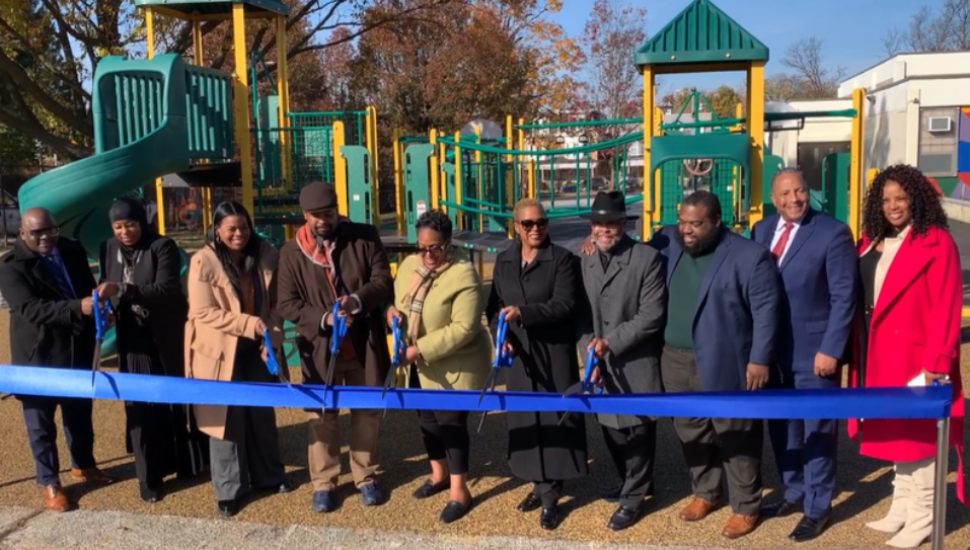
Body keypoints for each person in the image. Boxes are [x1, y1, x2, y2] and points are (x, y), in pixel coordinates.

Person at [650, 191, 781, 540]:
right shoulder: (667, 241)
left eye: (696, 224)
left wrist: (759, 359)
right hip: (675, 359)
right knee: (691, 431)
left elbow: (767, 313)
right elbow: (629, 250)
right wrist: (591, 240)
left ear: (717, 222)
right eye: (682, 221)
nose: (687, 230)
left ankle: (746, 506)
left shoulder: (750, 256)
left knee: (735, 433)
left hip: (727, 362)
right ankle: (707, 492)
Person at [850, 164, 964, 549]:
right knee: (897, 431)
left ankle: (925, 516)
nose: (893, 206)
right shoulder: (872, 239)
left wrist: (937, 362)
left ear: (918, 198)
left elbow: (947, 306)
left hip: (918, 357)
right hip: (880, 352)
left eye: (901, 198)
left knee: (921, 437)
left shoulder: (938, 242)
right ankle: (902, 505)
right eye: (885, 199)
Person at [750, 169, 857, 542]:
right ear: (773, 197)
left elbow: (844, 297)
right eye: (785, 193)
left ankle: (817, 507)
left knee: (818, 431)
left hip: (815, 354)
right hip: (773, 352)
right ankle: (793, 492)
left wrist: (832, 349)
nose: (794, 199)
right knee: (782, 428)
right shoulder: (761, 231)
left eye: (800, 191)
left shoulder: (832, 233)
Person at [276, 182, 393, 514]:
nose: (322, 221)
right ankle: (325, 482)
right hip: (318, 347)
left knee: (366, 413)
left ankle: (365, 477)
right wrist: (324, 318)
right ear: (305, 216)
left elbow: (383, 281)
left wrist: (357, 300)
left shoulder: (364, 236)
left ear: (337, 209)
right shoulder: (291, 252)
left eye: (327, 213)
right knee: (321, 416)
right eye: (315, 216)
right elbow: (286, 303)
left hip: (362, 344)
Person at [0, 207, 114, 512]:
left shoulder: (71, 250)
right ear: (23, 233)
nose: (46, 237)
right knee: (40, 424)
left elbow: (87, 288)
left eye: (51, 229)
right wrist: (80, 307)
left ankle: (84, 465)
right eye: (37, 232)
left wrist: (102, 310)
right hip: (39, 356)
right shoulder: (11, 267)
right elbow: (31, 309)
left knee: (79, 414)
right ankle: (49, 482)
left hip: (77, 348)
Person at [486, 198, 587, 531]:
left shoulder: (562, 260)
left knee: (554, 422)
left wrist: (524, 313)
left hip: (552, 353)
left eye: (541, 222)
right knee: (525, 421)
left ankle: (550, 496)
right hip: (519, 356)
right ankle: (536, 482)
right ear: (516, 227)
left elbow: (565, 304)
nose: (535, 229)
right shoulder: (503, 261)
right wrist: (499, 336)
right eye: (527, 224)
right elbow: (493, 307)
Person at [185, 200, 291, 518]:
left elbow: (277, 305)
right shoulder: (203, 261)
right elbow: (203, 312)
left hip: (257, 347)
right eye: (231, 228)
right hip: (220, 351)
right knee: (226, 420)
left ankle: (269, 476)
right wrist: (248, 324)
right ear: (217, 230)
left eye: (243, 226)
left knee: (261, 414)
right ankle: (229, 489)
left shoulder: (266, 253)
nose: (238, 234)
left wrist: (270, 336)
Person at [387, 210, 491, 524]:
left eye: (435, 247)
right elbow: (397, 300)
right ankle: (438, 474)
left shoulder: (463, 274)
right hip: (417, 364)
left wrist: (419, 349)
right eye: (422, 247)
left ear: (448, 243)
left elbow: (464, 328)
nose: (428, 254)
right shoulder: (408, 266)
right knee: (426, 420)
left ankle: (460, 491)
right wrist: (391, 313)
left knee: (450, 423)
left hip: (452, 364)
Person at [96, 198, 201, 503]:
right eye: (118, 226)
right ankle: (148, 475)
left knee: (173, 400)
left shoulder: (162, 246)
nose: (125, 231)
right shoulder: (108, 248)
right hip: (133, 338)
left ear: (141, 222)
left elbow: (167, 289)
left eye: (130, 224)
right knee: (140, 405)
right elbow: (107, 281)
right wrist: (110, 306)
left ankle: (184, 463)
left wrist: (122, 291)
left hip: (166, 335)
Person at [578, 191, 666, 532]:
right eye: (598, 223)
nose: (604, 230)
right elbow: (581, 316)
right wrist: (589, 351)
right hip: (598, 364)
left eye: (611, 223)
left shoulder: (647, 258)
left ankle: (633, 498)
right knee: (611, 431)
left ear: (624, 223)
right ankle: (632, 483)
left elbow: (651, 316)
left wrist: (609, 343)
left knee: (639, 432)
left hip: (635, 361)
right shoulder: (584, 258)